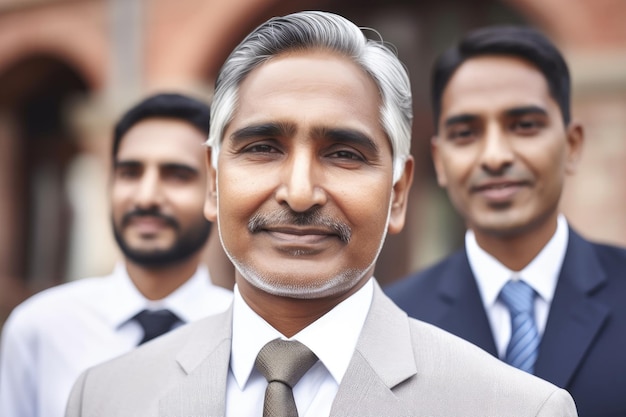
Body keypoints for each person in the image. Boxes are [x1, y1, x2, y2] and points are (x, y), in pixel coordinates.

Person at [65, 12, 577, 417]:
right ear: (214, 181)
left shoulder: (516, 408)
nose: (300, 192)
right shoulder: (104, 396)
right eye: (264, 147)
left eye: (344, 154)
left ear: (398, 193)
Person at [385, 25, 626, 417]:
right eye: (466, 133)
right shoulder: (394, 322)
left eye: (524, 125)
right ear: (440, 160)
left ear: (573, 145)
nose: (495, 156)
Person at [0, 93, 234, 417]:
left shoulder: (245, 334)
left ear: (217, 192)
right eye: (130, 172)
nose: (147, 196)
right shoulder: (38, 329)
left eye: (177, 175)